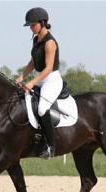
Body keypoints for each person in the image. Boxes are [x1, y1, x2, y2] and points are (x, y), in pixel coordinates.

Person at [16, 7, 63, 158]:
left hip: (51, 80)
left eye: (32, 24)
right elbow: (33, 62)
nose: (30, 27)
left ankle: (51, 146)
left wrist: (31, 82)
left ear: (42, 23)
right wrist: (22, 76)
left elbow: (48, 68)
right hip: (40, 78)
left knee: (42, 109)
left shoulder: (50, 43)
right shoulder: (36, 39)